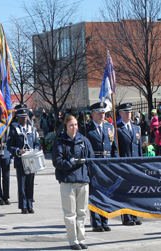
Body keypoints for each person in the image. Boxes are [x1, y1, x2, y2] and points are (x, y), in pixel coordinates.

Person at [53, 115, 93, 250]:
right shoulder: (60, 142)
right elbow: (57, 162)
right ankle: (73, 240)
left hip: (82, 180)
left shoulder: (84, 141)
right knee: (70, 213)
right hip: (68, 181)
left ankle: (81, 239)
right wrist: (73, 163)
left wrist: (85, 166)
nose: (74, 127)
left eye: (75, 124)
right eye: (71, 125)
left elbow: (90, 159)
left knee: (82, 212)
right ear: (66, 126)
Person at [78, 102, 117, 232]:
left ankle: (104, 220)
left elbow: (114, 148)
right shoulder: (86, 129)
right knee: (95, 193)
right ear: (93, 114)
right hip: (94, 164)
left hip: (107, 165)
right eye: (99, 113)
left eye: (103, 112)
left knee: (106, 193)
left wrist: (115, 163)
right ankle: (96, 222)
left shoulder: (109, 127)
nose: (102, 115)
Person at [7, 106, 40, 214]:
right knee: (22, 184)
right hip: (20, 160)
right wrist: (18, 151)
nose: (24, 119)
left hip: (31, 160)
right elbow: (9, 146)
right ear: (18, 117)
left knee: (30, 183)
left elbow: (37, 143)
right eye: (22, 117)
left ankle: (30, 204)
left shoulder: (32, 129)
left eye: (25, 116)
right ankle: (23, 206)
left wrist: (36, 149)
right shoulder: (14, 129)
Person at [116, 103, 143, 225]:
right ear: (120, 114)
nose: (129, 114)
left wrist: (141, 163)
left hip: (136, 165)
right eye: (126, 112)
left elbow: (139, 148)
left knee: (136, 191)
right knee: (125, 192)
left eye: (130, 112)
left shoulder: (136, 128)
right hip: (125, 164)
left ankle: (135, 216)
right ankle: (126, 217)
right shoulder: (117, 129)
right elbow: (116, 149)